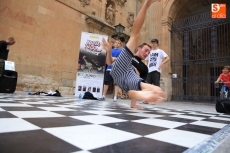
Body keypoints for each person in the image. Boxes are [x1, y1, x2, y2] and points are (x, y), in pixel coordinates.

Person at [102, 0, 165, 109]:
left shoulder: (145, 68)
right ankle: (139, 95)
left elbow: (137, 82)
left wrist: (133, 103)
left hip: (126, 79)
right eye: (145, 50)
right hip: (121, 74)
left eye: (149, 53)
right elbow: (109, 62)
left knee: (150, 88)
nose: (147, 53)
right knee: (135, 35)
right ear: (138, 48)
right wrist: (108, 51)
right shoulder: (128, 56)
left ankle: (138, 95)